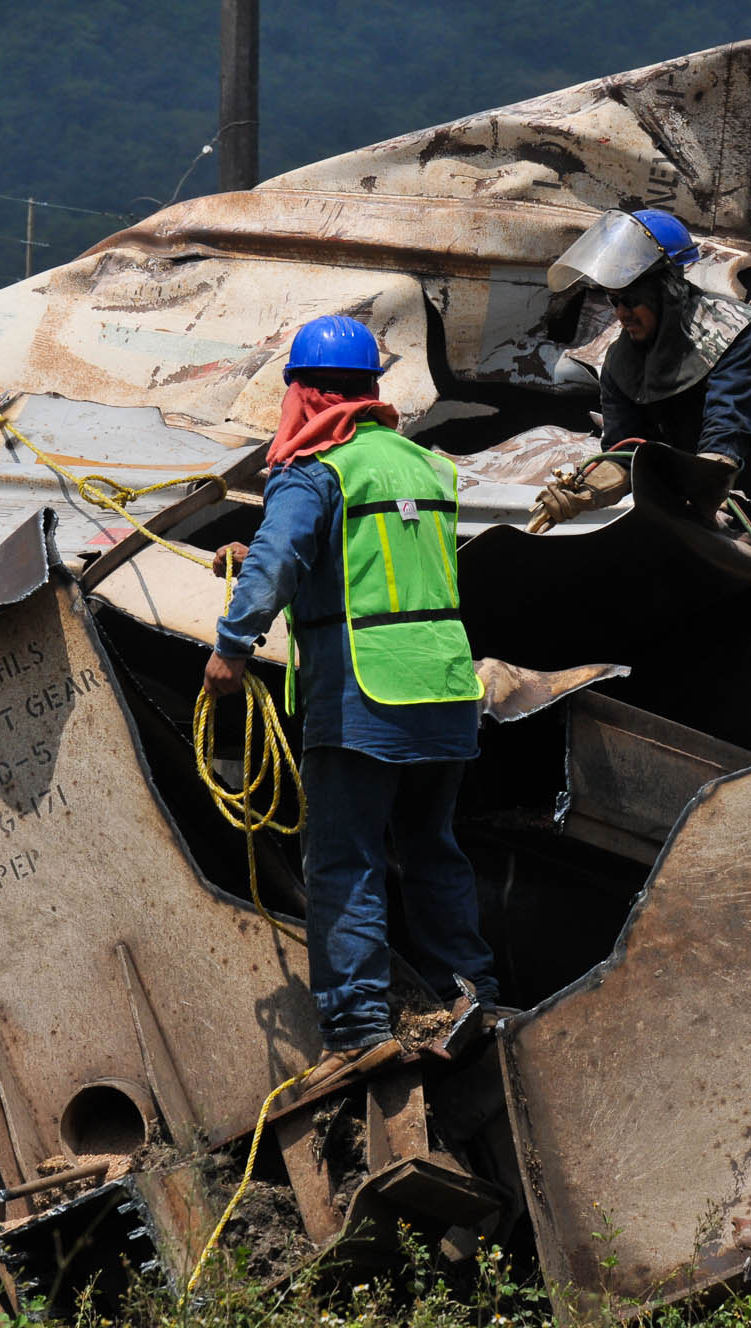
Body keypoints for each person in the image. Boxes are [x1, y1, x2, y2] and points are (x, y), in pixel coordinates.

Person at [201, 313, 498, 1092]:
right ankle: (473, 998)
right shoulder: (426, 466)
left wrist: (233, 646)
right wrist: (260, 543)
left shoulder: (316, 470)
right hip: (444, 687)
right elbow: (371, 555)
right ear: (370, 391)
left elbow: (279, 561)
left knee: (345, 862)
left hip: (364, 696)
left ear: (303, 393)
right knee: (433, 848)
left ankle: (359, 1029)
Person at [530, 208, 751, 740]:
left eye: (632, 299)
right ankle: (739, 732)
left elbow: (727, 430)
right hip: (707, 501)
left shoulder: (735, 335)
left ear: (668, 292)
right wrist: (583, 493)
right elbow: (624, 453)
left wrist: (711, 480)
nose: (621, 311)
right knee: (708, 618)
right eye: (614, 300)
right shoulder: (621, 362)